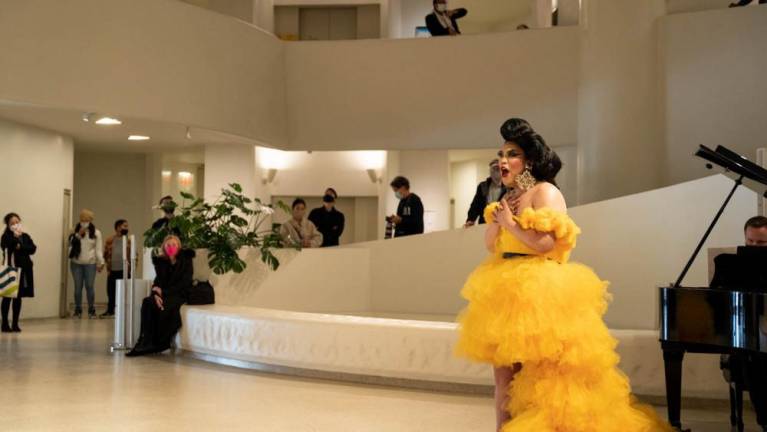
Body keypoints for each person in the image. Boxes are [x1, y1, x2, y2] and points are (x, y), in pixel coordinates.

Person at [455, 118, 671, 431]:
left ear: (528, 161)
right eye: (501, 155)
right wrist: (499, 218)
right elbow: (492, 246)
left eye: (511, 154)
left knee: (545, 377)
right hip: (504, 290)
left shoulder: (546, 193)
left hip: (541, 292)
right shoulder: (506, 197)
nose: (503, 161)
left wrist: (512, 224)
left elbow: (546, 245)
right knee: (503, 376)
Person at [127, 235, 193, 357]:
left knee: (166, 307)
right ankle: (144, 340)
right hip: (164, 293)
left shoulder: (186, 260)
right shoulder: (161, 262)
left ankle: (160, 343)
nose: (171, 247)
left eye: (174, 245)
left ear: (179, 247)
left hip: (180, 294)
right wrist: (155, 294)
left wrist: (163, 293)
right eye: (168, 245)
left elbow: (185, 283)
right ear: (164, 247)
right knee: (148, 302)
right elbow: (158, 282)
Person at [1, 213, 36, 333]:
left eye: (17, 222)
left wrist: (20, 246)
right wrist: (16, 241)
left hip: (24, 270)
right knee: (8, 297)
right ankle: (5, 323)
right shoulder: (6, 236)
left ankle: (15, 323)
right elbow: (8, 246)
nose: (15, 224)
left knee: (18, 297)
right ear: (8, 225)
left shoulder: (25, 236)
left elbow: (32, 248)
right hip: (11, 270)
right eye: (12, 223)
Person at [69, 209, 105, 319]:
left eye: (86, 220)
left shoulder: (96, 233)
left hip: (90, 263)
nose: (84, 222)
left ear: (90, 220)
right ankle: (78, 310)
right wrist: (78, 235)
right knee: (77, 288)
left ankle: (91, 310)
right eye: (82, 220)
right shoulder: (73, 231)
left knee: (89, 286)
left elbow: (98, 250)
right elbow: (70, 246)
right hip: (76, 263)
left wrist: (101, 262)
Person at [101, 219, 130, 318]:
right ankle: (110, 311)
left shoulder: (129, 240)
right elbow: (105, 254)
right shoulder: (110, 240)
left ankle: (124, 311)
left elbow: (134, 255)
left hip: (125, 270)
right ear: (118, 227)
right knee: (111, 292)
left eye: (127, 226)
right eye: (124, 226)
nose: (127, 228)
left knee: (125, 292)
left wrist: (130, 268)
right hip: (112, 270)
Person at [465, 159, 505, 227]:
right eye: (493, 169)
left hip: (502, 223)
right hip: (484, 223)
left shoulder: (508, 187)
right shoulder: (483, 186)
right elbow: (475, 205)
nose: (495, 171)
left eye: (498, 168)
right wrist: (470, 219)